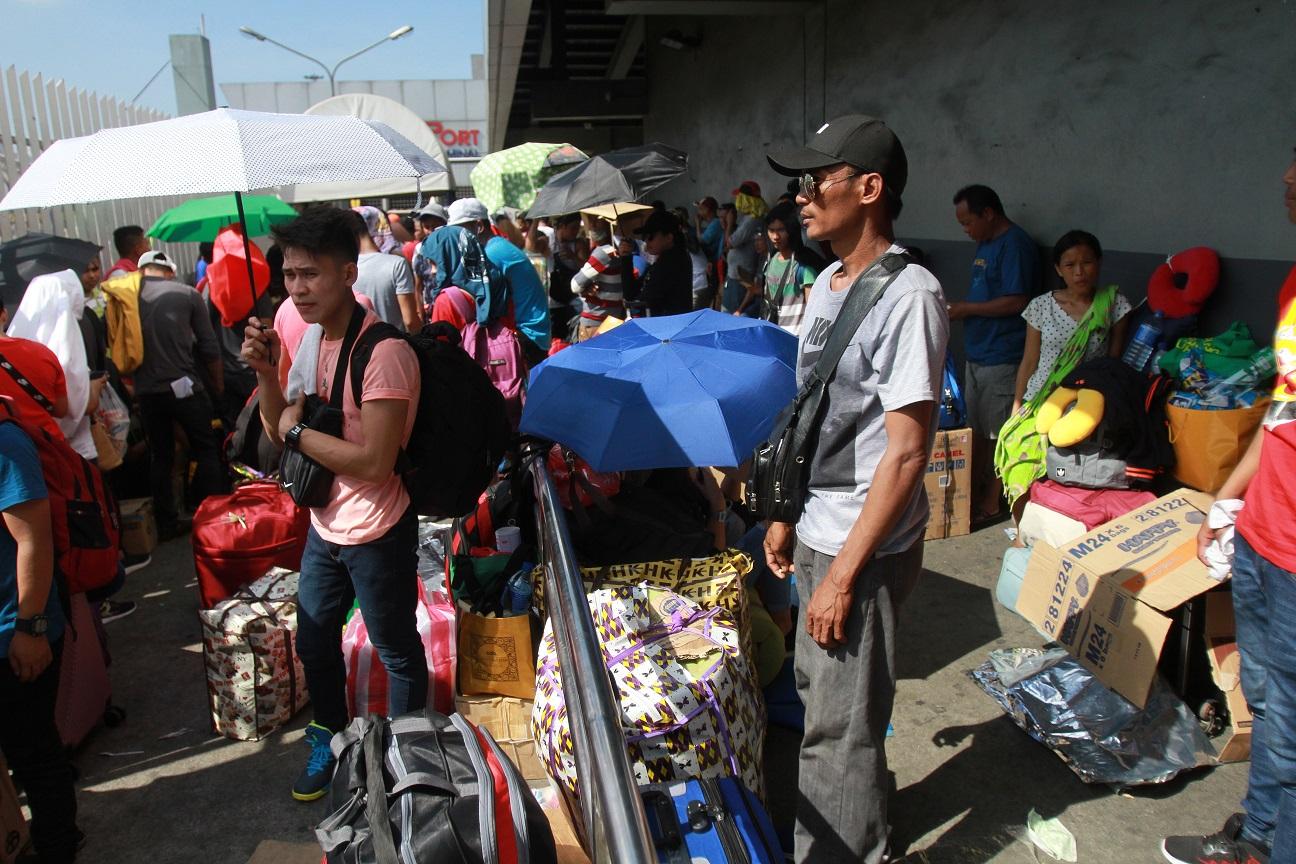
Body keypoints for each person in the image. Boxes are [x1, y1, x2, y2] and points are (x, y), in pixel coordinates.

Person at [762, 115, 949, 864]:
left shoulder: (911, 296)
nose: (801, 198)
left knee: (842, 725)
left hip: (862, 548)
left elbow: (906, 455)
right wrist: (785, 515)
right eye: (798, 185)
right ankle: (860, 812)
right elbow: (814, 412)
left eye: (816, 181)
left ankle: (845, 850)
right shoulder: (826, 284)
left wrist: (843, 573)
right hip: (817, 524)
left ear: (869, 189)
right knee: (821, 695)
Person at [240, 206, 426, 802]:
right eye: (289, 275)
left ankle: (405, 756)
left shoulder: (386, 352)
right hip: (325, 524)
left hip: (378, 526)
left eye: (310, 275)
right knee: (314, 642)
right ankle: (331, 736)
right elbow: (276, 429)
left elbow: (373, 461)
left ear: (349, 273)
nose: (296, 289)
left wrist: (298, 431)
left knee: (396, 650)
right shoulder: (313, 336)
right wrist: (269, 375)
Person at [1159, 150, 1296, 864]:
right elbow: (1282, 407)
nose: (1286, 178)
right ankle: (1259, 835)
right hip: (1264, 540)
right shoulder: (1294, 287)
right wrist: (1226, 499)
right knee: (1271, 705)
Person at [995, 231, 1132, 515]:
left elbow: (1113, 362)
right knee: (1025, 467)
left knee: (1069, 476)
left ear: (1099, 263)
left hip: (1086, 405)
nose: (1079, 272)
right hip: (1040, 398)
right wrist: (1018, 404)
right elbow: (1029, 360)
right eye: (1070, 265)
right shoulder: (1041, 307)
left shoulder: (1114, 305)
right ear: (1058, 269)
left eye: (1087, 263)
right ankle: (1024, 529)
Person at [0, 415, 80, 864]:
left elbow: (34, 540)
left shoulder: (5, 442)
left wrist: (29, 628)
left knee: (35, 755)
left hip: (14, 633)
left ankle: (57, 847)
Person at [949, 184, 1040, 522]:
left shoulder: (1015, 245)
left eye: (968, 222)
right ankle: (973, 494)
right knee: (977, 429)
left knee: (999, 432)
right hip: (977, 351)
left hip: (1003, 354)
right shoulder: (985, 243)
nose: (966, 230)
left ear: (988, 213)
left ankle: (992, 501)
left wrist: (967, 308)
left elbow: (1017, 301)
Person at [133, 250, 224, 539]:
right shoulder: (186, 294)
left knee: (161, 455)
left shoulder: (127, 299)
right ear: (169, 271)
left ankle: (167, 522)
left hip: (146, 391)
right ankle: (217, 514)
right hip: (185, 386)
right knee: (204, 446)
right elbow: (209, 347)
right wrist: (218, 387)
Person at [450, 197, 551, 364]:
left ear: (479, 226)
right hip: (532, 332)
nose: (457, 236)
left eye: (460, 229)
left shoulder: (493, 253)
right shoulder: (496, 246)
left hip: (526, 334)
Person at [749, 201, 822, 331]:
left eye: (781, 230)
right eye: (771, 230)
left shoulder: (803, 266)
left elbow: (813, 310)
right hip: (772, 334)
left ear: (791, 230)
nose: (776, 236)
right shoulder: (770, 261)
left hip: (794, 339)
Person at [350, 208, 418, 332]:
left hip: (357, 347)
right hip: (394, 344)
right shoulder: (397, 264)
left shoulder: (345, 268)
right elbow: (410, 321)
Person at [631, 210, 693, 318]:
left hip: (669, 326)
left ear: (669, 237)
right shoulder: (663, 259)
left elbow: (647, 297)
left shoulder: (673, 260)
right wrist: (626, 258)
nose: (647, 241)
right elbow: (632, 293)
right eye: (645, 237)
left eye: (651, 237)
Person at [723, 181, 769, 316]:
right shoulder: (751, 219)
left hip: (740, 279)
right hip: (738, 276)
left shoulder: (751, 221)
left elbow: (730, 243)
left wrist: (729, 222)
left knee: (730, 317)